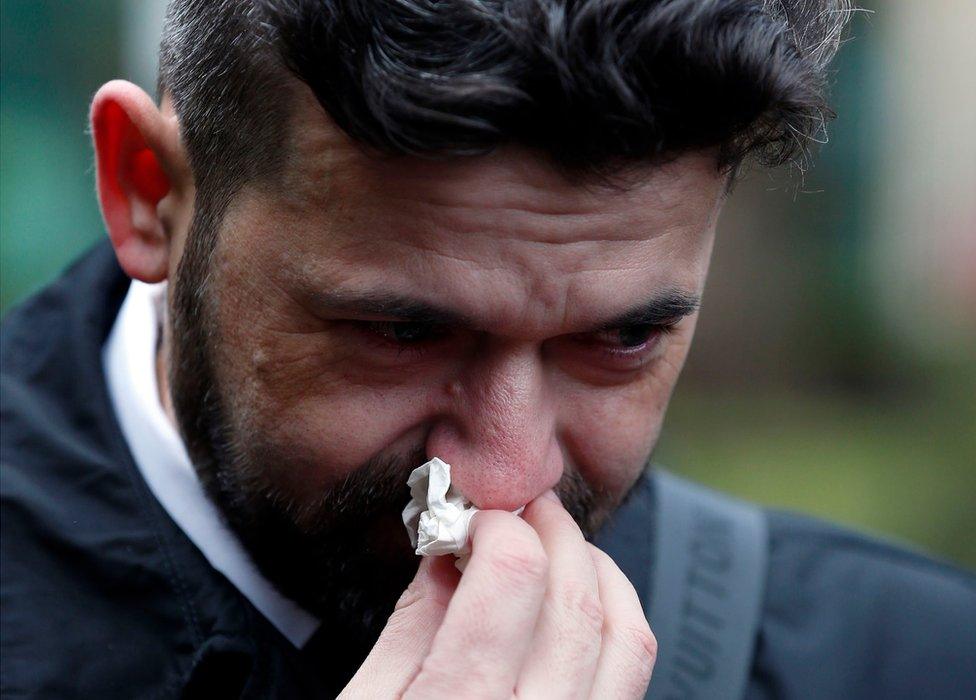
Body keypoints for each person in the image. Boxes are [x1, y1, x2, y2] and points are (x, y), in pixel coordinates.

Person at [2, 0, 973, 697]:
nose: (507, 479)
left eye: (623, 337)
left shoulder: (914, 658)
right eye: (402, 333)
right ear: (148, 188)